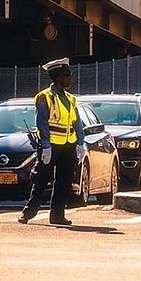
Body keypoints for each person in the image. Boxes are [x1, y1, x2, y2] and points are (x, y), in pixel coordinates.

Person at [18, 58, 85, 226]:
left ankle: (57, 216)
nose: (70, 79)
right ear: (57, 77)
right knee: (40, 180)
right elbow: (42, 123)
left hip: (68, 145)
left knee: (64, 182)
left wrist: (80, 143)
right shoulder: (44, 97)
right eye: (67, 75)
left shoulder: (71, 99)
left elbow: (77, 123)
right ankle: (28, 213)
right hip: (51, 146)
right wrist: (46, 146)